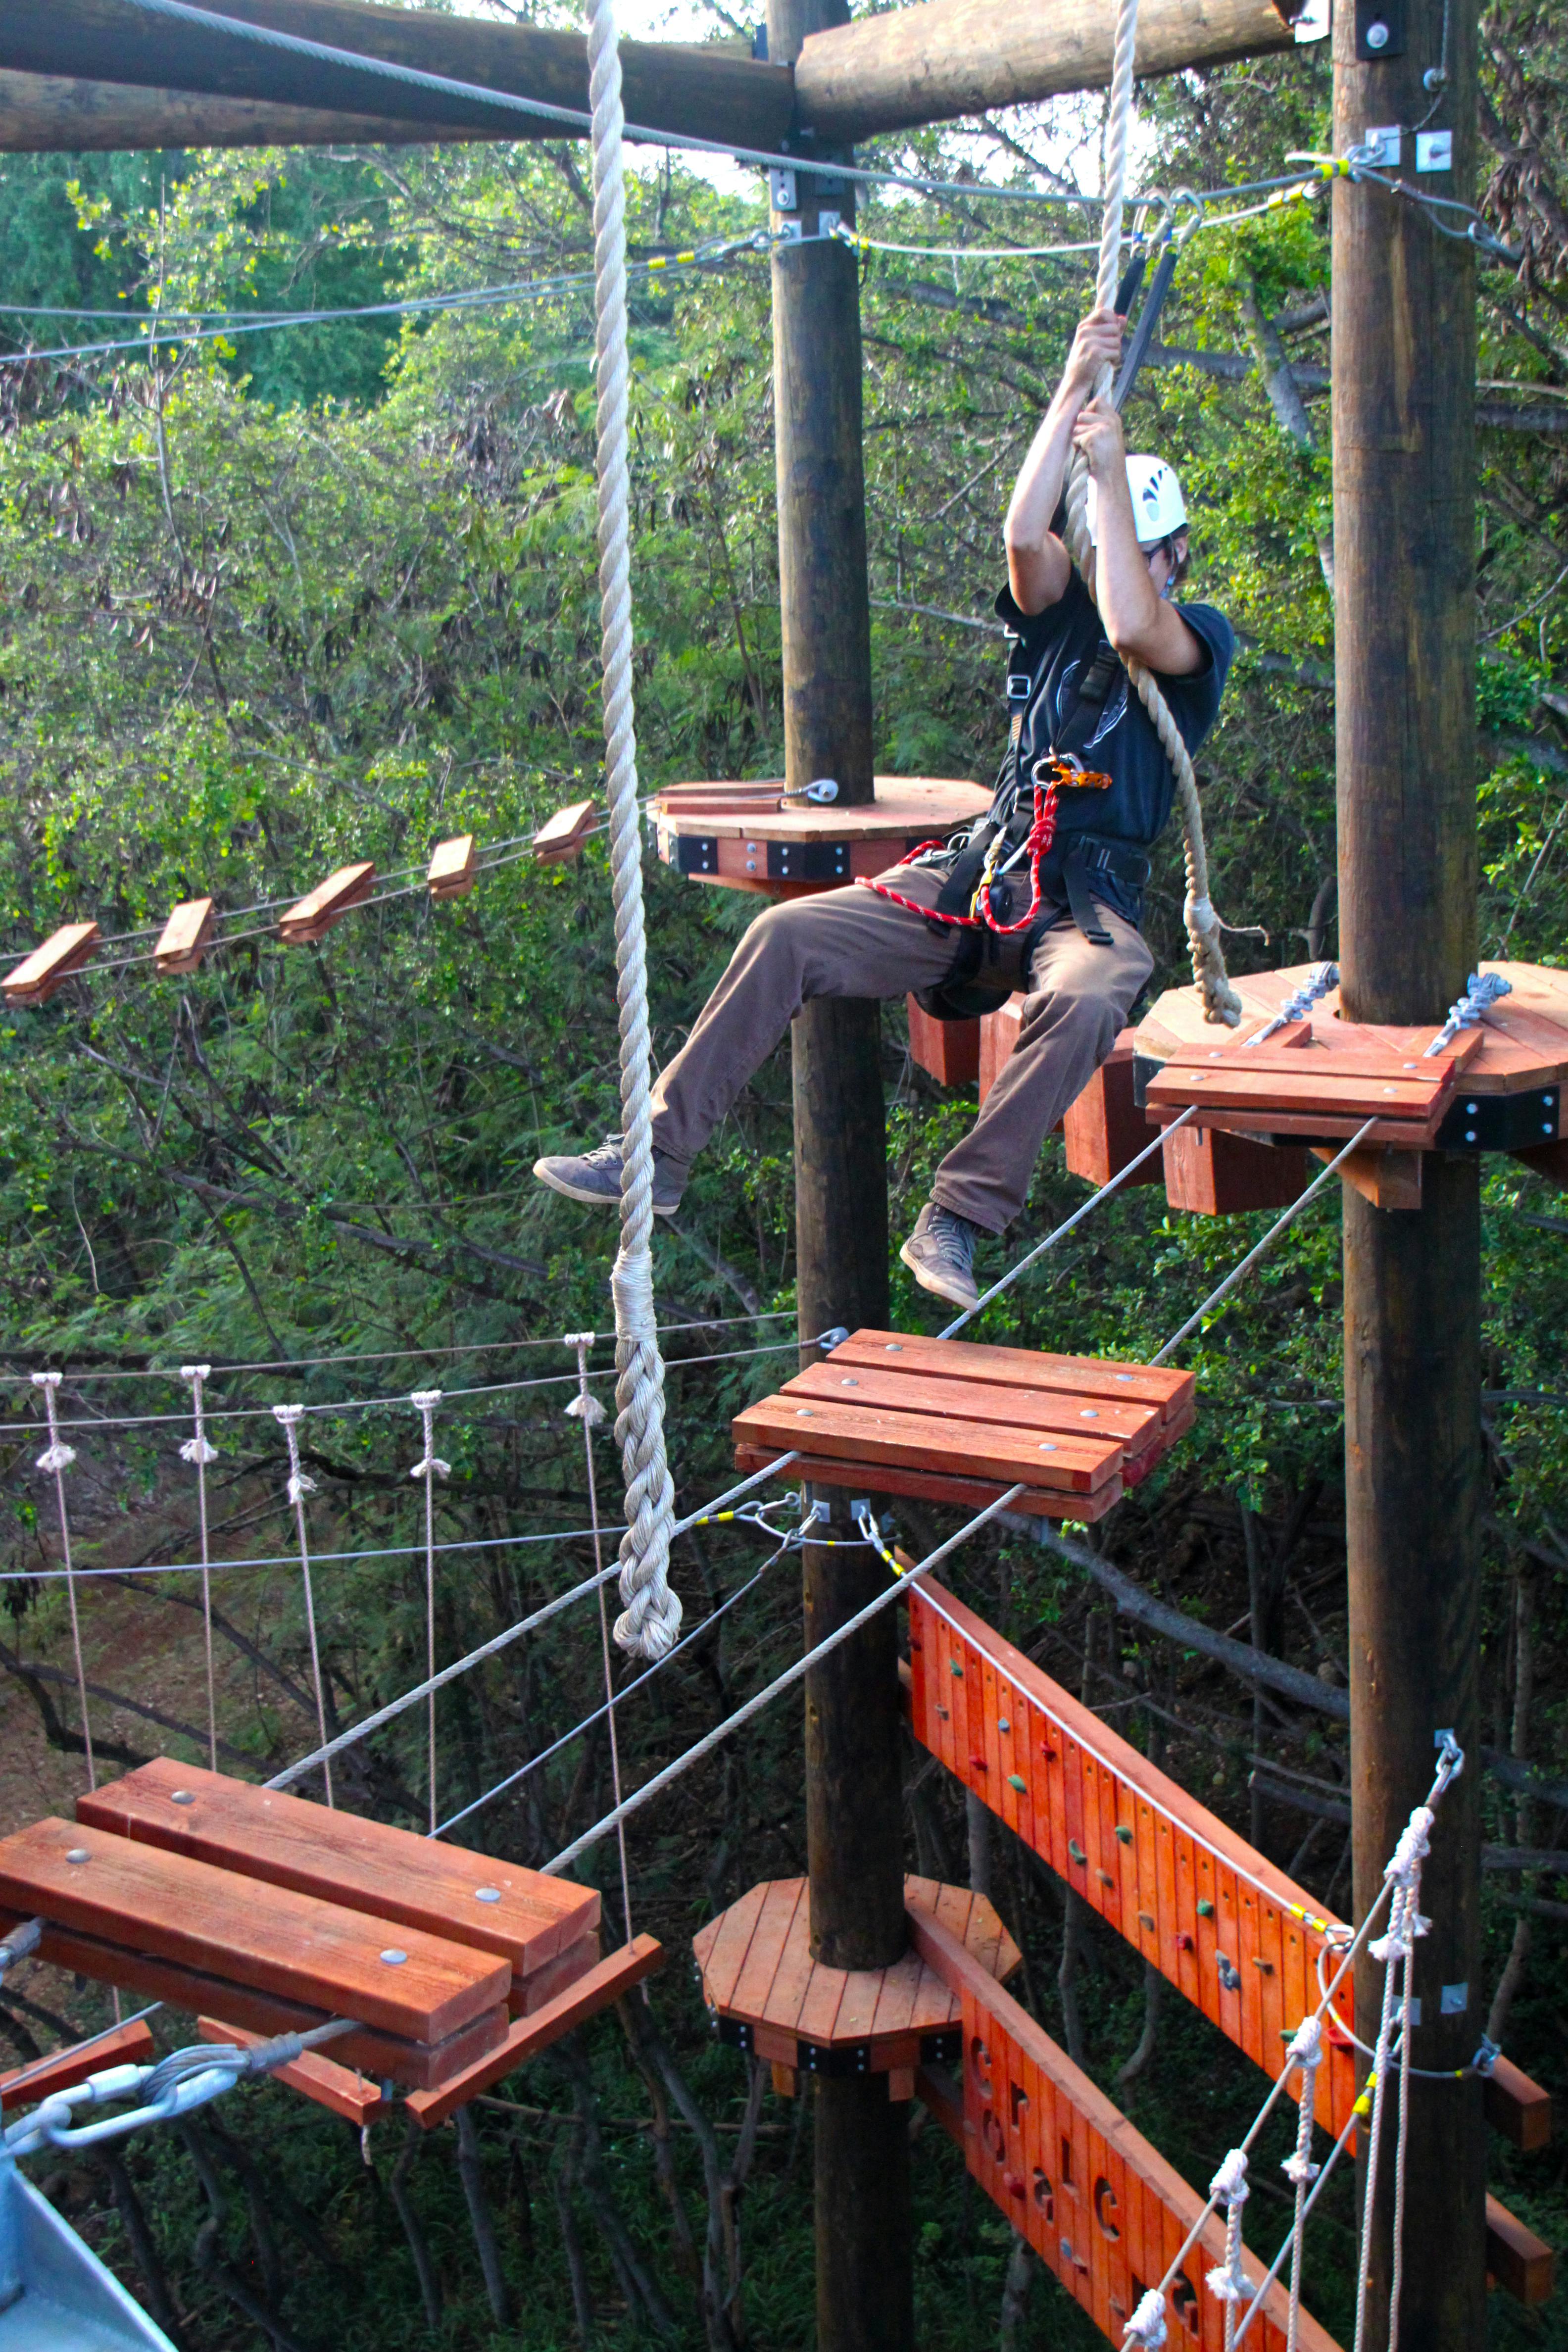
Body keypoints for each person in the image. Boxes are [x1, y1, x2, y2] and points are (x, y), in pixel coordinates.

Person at [534, 306, 1235, 1312]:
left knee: (1090, 997)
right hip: (986, 872)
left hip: (1088, 903)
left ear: (1174, 553)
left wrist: (1114, 472)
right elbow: (1021, 532)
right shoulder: (1057, 620)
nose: (1117, 560)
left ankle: (960, 1214)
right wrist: (1073, 383)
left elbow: (1134, 620)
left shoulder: (1195, 640)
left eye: (1142, 547)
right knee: (786, 936)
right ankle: (659, 1154)